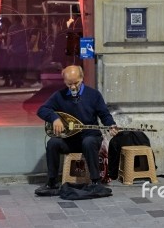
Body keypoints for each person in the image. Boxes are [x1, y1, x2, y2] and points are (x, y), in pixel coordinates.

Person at [35, 65, 118, 193]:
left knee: (88, 142)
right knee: (52, 143)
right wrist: (55, 118)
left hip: (91, 137)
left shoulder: (94, 95)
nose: (73, 87)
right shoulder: (60, 96)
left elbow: (104, 114)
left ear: (82, 78)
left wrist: (111, 125)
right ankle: (51, 182)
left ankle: (96, 181)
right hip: (70, 140)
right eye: (69, 84)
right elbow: (42, 110)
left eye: (76, 83)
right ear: (64, 82)